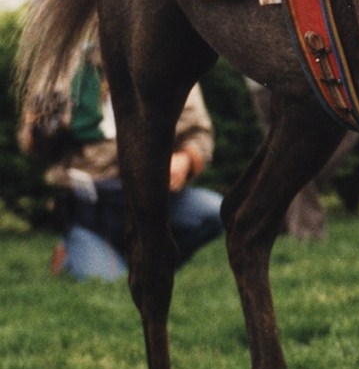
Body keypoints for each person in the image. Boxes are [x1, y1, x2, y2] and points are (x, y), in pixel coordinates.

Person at [23, 47, 223, 282]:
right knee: (111, 283)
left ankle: (145, 263)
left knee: (214, 212)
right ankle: (74, 251)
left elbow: (199, 133)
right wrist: (40, 129)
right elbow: (33, 142)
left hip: (152, 198)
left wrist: (186, 159)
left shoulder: (168, 58)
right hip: (92, 206)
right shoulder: (62, 62)